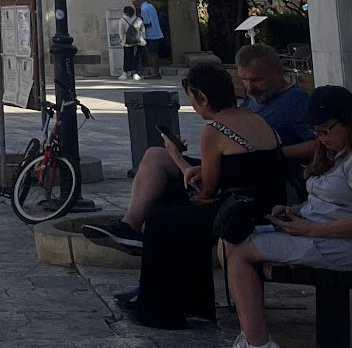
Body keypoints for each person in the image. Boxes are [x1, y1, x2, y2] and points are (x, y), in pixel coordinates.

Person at [219, 85, 352, 348]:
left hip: (350, 247)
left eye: (326, 130)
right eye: (316, 132)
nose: (321, 138)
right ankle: (251, 337)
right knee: (228, 242)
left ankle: (258, 347)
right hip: (321, 236)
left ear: (350, 123)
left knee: (241, 252)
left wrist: (306, 230)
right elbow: (333, 201)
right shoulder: (338, 154)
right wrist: (294, 210)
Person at [84, 43, 315, 255]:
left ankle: (158, 280)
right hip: (234, 167)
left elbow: (320, 144)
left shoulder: (297, 102)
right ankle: (130, 226)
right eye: (244, 81)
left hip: (263, 178)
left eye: (257, 80)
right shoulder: (251, 103)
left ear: (278, 72)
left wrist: (272, 153)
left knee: (164, 199)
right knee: (155, 157)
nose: (250, 88)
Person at [114, 62, 284, 331]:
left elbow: (207, 190)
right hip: (261, 204)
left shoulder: (214, 131)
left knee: (160, 221)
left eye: (192, 100)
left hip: (238, 213)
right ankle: (187, 300)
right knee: (174, 207)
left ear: (203, 97)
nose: (193, 107)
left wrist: (175, 156)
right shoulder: (256, 118)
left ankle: (160, 311)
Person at [136, 0, 165, 78]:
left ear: (138, 2)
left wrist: (139, 26)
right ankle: (155, 71)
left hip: (151, 35)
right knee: (154, 54)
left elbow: (147, 23)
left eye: (135, 4)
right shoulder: (150, 6)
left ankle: (155, 73)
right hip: (156, 33)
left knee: (153, 54)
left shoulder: (144, 9)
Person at [120, 6, 145, 80]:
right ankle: (136, 72)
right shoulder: (138, 19)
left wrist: (121, 40)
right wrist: (143, 38)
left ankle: (126, 72)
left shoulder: (122, 20)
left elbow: (121, 32)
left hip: (127, 42)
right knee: (137, 57)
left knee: (127, 57)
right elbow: (142, 30)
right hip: (138, 41)